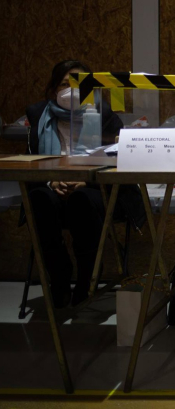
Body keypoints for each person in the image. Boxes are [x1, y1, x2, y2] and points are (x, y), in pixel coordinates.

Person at [25, 60, 142, 308]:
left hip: (97, 190)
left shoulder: (105, 116)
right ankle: (59, 275)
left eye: (79, 84)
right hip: (54, 188)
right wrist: (51, 180)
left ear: (92, 89)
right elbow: (33, 161)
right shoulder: (39, 118)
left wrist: (87, 180)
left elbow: (119, 160)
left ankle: (87, 278)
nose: (71, 90)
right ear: (53, 89)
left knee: (82, 200)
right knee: (38, 198)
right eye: (64, 84)